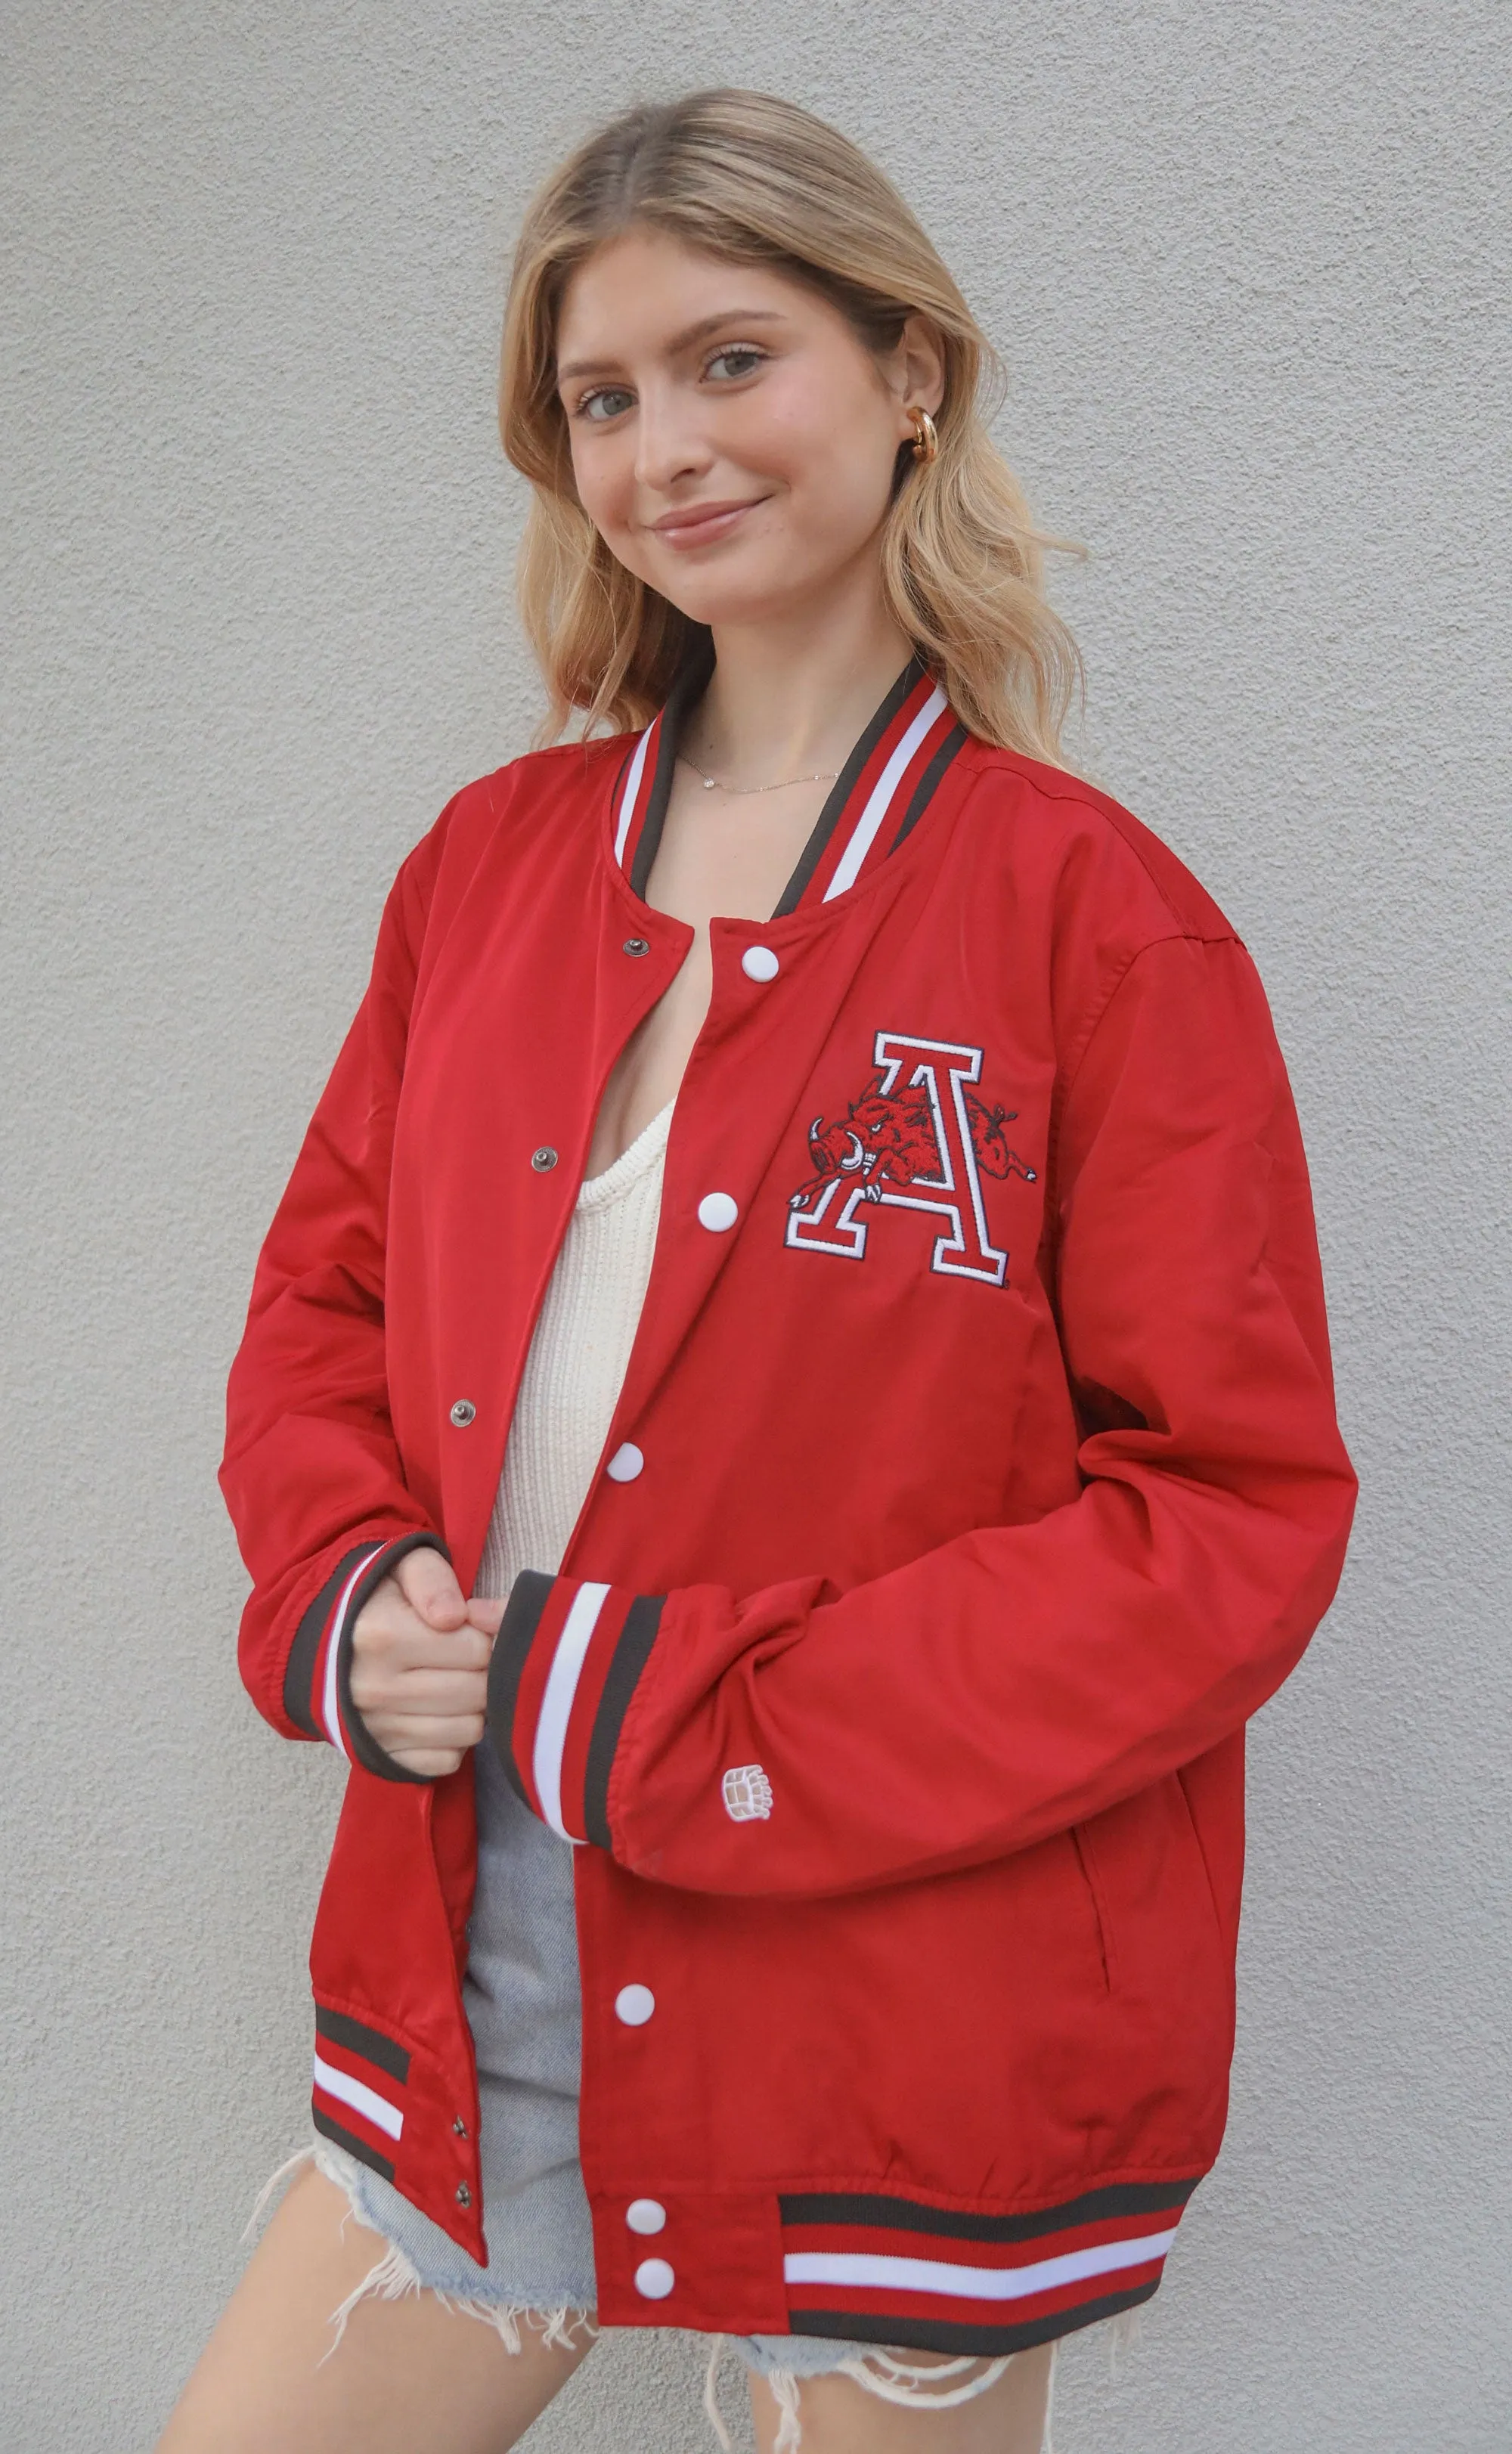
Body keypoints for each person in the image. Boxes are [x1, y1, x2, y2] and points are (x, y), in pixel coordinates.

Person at [159, 87, 1356, 2454]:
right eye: (600, 399)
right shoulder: (485, 873)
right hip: (478, 1936)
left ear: (910, 373)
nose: (663, 449)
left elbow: (1229, 1520)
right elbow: (318, 1313)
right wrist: (349, 1590)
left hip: (904, 2008)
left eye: (732, 361)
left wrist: (696, 1709)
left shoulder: (1091, 917)